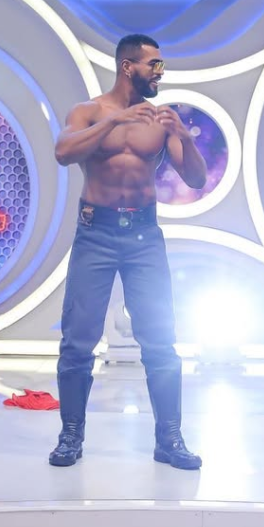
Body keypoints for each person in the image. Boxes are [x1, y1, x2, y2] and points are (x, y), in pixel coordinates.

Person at [49, 34, 207, 470]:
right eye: (153, 64)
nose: (160, 72)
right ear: (127, 66)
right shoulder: (89, 112)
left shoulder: (161, 119)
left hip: (142, 236)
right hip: (95, 233)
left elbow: (196, 179)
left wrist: (184, 137)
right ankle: (71, 436)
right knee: (78, 340)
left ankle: (169, 439)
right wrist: (114, 122)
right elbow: (63, 152)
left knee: (160, 340)